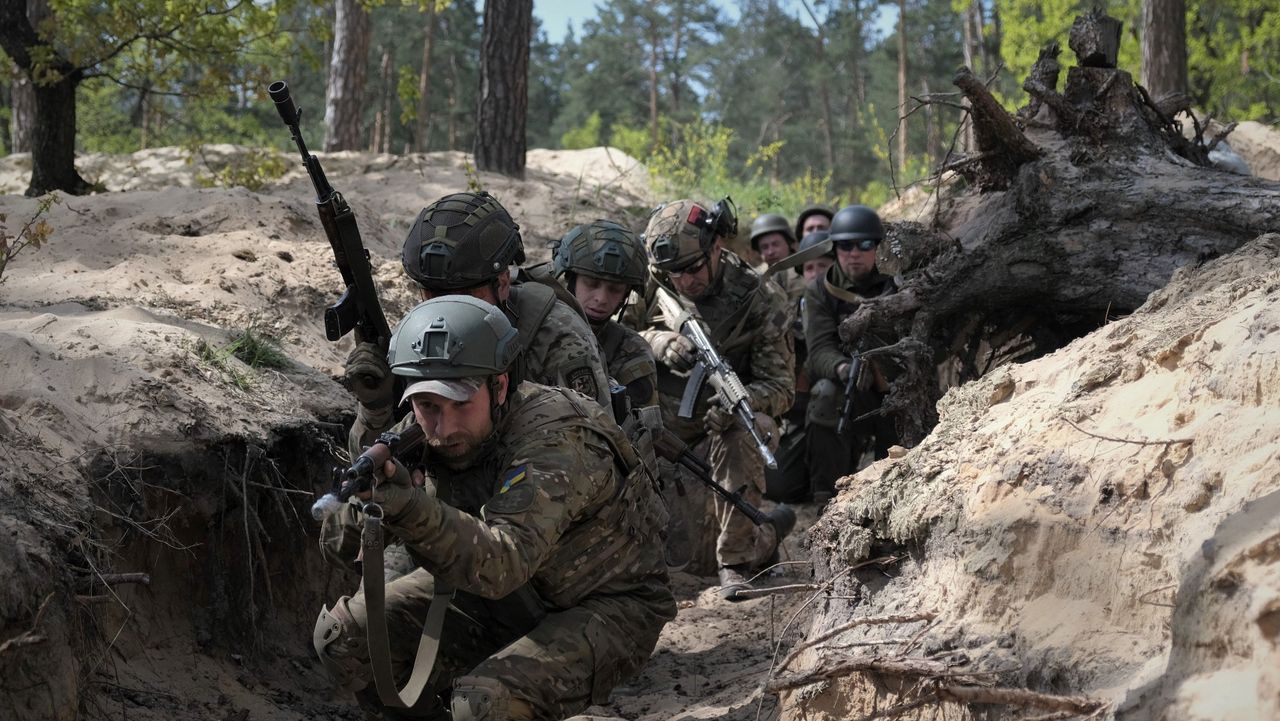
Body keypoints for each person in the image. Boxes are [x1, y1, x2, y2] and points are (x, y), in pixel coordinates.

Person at [314, 296, 675, 721]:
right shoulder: (413, 435)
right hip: (498, 600)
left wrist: (410, 509)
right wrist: (369, 505)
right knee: (343, 637)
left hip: (604, 607)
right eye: (427, 405)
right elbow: (335, 547)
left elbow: (504, 562)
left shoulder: (555, 439)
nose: (442, 427)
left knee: (483, 705)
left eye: (461, 404)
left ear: (499, 386)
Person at [344, 190, 612, 454]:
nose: (450, 309)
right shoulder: (419, 337)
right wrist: (375, 408)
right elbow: (371, 459)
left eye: (465, 296)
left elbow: (595, 448)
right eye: (435, 295)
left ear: (503, 284)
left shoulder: (556, 337)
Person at [632, 197, 797, 599]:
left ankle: (737, 561)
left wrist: (738, 402)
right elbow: (610, 339)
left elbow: (782, 388)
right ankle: (768, 530)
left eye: (692, 269)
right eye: (673, 274)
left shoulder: (762, 300)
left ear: (717, 248)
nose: (685, 282)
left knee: (748, 428)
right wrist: (656, 340)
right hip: (655, 431)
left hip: (715, 435)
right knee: (678, 554)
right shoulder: (653, 284)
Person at [803, 205, 900, 503]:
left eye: (864, 244)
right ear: (835, 248)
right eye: (845, 245)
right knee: (823, 395)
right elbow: (818, 350)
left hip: (894, 382)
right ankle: (828, 494)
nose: (854, 253)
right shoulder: (821, 290)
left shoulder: (897, 284)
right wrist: (845, 370)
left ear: (876, 247)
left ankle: (897, 490)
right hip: (850, 384)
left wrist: (888, 371)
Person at [550, 219, 658, 409]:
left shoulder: (631, 352)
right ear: (570, 279)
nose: (601, 298)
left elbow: (638, 432)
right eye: (591, 283)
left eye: (615, 289)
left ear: (626, 295)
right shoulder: (535, 325)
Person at [762, 230, 835, 504]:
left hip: (840, 416)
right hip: (799, 415)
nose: (815, 273)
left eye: (824, 266)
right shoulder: (790, 313)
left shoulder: (848, 308)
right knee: (778, 486)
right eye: (809, 267)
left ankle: (826, 488)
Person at [748, 213, 806, 303]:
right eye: (764, 247)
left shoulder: (807, 270)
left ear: (789, 243)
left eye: (775, 244)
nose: (770, 252)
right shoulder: (755, 278)